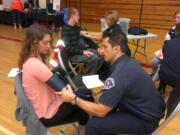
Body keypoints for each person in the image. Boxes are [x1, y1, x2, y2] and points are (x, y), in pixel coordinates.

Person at [56, 30, 166, 135]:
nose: (101, 50)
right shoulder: (128, 62)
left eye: (105, 47)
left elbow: (101, 111)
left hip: (146, 121)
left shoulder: (119, 74)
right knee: (103, 115)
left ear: (116, 49)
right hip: (148, 112)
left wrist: (73, 99)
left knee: (93, 124)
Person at [18, 24, 93, 135]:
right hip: (47, 114)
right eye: (45, 43)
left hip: (44, 106)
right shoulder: (35, 64)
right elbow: (62, 87)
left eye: (49, 42)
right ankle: (88, 128)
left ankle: (86, 128)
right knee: (84, 94)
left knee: (81, 98)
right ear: (34, 42)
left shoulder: (30, 59)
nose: (49, 46)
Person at [61, 7, 104, 75]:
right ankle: (86, 78)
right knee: (94, 58)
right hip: (72, 56)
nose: (79, 17)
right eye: (77, 15)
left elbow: (88, 40)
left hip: (80, 52)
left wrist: (98, 48)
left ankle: (90, 74)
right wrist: (82, 51)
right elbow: (67, 48)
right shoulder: (65, 30)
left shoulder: (78, 28)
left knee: (101, 55)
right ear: (72, 16)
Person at [150, 11, 180, 81]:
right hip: (168, 52)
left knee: (163, 66)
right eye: (175, 17)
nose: (175, 19)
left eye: (178, 17)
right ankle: (153, 72)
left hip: (176, 56)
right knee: (154, 62)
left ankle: (153, 81)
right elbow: (166, 42)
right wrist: (162, 51)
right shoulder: (172, 30)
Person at [159, 22, 180, 87]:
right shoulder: (170, 33)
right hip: (176, 78)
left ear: (176, 31)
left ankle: (155, 82)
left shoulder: (167, 43)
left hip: (164, 74)